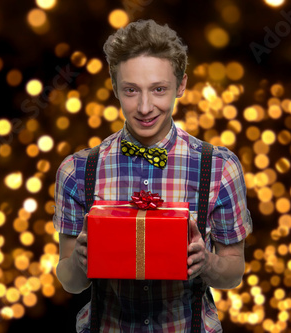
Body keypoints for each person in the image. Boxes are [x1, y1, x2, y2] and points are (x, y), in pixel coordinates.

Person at [53, 19, 252, 332]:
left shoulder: (219, 167)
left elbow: (234, 271)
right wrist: (79, 262)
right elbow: (69, 282)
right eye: (131, 90)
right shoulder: (76, 171)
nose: (145, 107)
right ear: (115, 87)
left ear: (181, 85)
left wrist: (206, 263)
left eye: (159, 89)